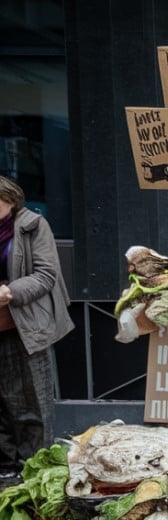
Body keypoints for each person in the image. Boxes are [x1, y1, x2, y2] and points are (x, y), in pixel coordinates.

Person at [0, 176, 74, 481]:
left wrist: (10, 292)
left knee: (32, 406)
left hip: (24, 326)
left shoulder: (32, 225)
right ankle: (5, 472)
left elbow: (46, 275)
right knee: (2, 406)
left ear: (10, 201)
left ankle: (34, 472)